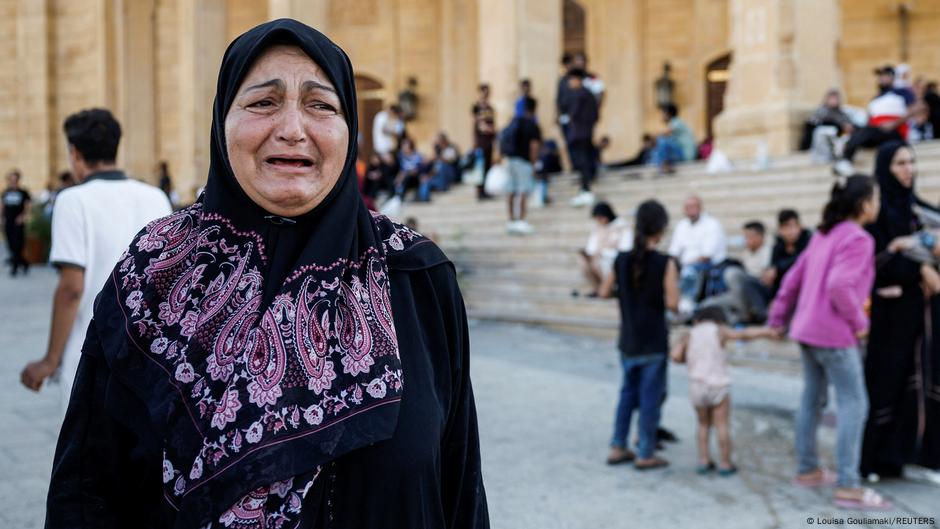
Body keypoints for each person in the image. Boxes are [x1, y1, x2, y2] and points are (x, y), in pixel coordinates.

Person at [41, 20, 489, 528]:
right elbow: (86, 490)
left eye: (321, 105)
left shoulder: (415, 274)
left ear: (351, 130)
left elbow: (459, 485)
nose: (293, 129)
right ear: (222, 120)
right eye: (263, 103)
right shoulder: (151, 276)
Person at [19, 107, 172, 411]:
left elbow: (71, 288)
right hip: (151, 355)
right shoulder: (156, 197)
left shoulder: (73, 200)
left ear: (74, 153)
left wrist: (50, 360)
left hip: (91, 355)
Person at [768, 174, 892, 510]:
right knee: (855, 403)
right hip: (833, 333)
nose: (878, 204)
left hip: (807, 330)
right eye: (876, 197)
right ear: (865, 204)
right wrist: (860, 323)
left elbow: (793, 277)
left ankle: (808, 469)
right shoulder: (859, 238)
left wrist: (778, 316)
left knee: (813, 399)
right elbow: (840, 286)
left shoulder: (824, 234)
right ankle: (849, 485)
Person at [861, 141, 940, 481]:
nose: (908, 169)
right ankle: (878, 459)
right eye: (900, 164)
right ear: (884, 170)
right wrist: (919, 270)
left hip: (924, 313)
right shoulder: (877, 216)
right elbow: (876, 264)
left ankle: (919, 453)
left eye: (911, 162)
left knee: (924, 381)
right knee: (888, 381)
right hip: (892, 316)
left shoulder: (920, 211)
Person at [601, 199, 678, 470]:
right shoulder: (665, 262)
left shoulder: (621, 260)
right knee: (650, 399)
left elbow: (603, 290)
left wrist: (626, 293)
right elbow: (673, 303)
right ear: (661, 228)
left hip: (628, 340)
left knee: (627, 394)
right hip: (654, 341)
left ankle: (617, 446)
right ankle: (645, 452)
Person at [670, 306, 775, 476]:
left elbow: (675, 356)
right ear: (719, 319)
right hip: (718, 386)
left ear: (697, 319)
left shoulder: (689, 334)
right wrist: (767, 331)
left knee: (703, 425)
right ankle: (725, 464)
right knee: (721, 425)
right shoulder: (719, 330)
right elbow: (743, 334)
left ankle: (704, 461)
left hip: (697, 386)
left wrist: (688, 358)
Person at [834, 66, 909, 176]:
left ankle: (845, 159)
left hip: (894, 131)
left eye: (885, 75)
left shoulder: (902, 92)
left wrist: (894, 123)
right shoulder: (876, 98)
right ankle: (843, 149)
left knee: (867, 131)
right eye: (880, 76)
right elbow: (869, 119)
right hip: (876, 131)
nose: (881, 78)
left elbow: (916, 108)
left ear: (892, 77)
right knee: (856, 129)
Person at [668, 195, 728, 314]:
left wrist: (683, 265)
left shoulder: (712, 224)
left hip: (707, 265)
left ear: (700, 207)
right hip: (685, 264)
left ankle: (687, 307)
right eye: (688, 207)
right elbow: (673, 252)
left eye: (693, 206)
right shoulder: (682, 225)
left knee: (688, 271)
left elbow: (707, 256)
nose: (691, 209)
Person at [500, 97, 541, 235]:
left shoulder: (513, 122)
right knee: (523, 190)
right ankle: (521, 220)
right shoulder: (531, 124)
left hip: (510, 160)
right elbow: (534, 146)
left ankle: (511, 220)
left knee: (511, 190)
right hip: (524, 161)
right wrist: (534, 163)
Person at [565, 69, 599, 207]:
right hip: (586, 132)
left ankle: (586, 189)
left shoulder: (579, 95)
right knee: (584, 160)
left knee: (582, 161)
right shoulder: (589, 94)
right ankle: (585, 188)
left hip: (580, 133)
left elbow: (573, 113)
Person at [581, 202, 630, 297]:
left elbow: (625, 249)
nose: (599, 221)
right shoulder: (597, 228)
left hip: (614, 261)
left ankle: (610, 289)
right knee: (584, 263)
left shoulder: (622, 226)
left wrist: (604, 253)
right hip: (598, 259)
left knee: (598, 263)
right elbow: (591, 248)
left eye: (600, 218)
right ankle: (598, 289)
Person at [763, 209, 811, 297]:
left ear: (800, 226)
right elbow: (773, 267)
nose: (790, 232)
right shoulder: (778, 246)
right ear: (780, 229)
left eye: (793, 227)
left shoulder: (808, 242)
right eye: (785, 228)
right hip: (782, 290)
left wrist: (777, 268)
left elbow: (802, 260)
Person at [801, 89, 856, 162]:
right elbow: (813, 123)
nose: (833, 101)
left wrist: (847, 127)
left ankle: (841, 155)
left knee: (845, 136)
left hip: (839, 134)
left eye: (835, 98)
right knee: (826, 132)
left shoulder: (841, 112)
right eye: (831, 98)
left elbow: (848, 124)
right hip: (825, 134)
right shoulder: (822, 111)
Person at [650, 104, 696, 174]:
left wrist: (654, 137)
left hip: (686, 154)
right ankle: (661, 165)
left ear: (669, 114)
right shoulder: (675, 123)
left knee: (662, 141)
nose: (662, 116)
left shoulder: (676, 122)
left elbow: (666, 133)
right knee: (658, 147)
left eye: (663, 113)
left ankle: (664, 165)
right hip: (681, 153)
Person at [2, 169, 32, 276]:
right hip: (8, 222)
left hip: (18, 222)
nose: (13, 181)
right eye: (11, 179)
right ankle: (24, 263)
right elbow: (3, 207)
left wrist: (23, 216)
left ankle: (14, 267)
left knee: (17, 244)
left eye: (15, 179)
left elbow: (28, 206)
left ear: (18, 180)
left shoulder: (23, 192)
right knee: (10, 245)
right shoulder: (6, 192)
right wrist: (2, 218)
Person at [472, 83, 496, 200]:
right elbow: (478, 124)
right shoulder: (477, 107)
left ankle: (484, 189)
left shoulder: (490, 108)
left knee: (487, 166)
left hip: (488, 141)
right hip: (481, 141)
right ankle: (479, 191)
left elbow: (491, 124)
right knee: (480, 167)